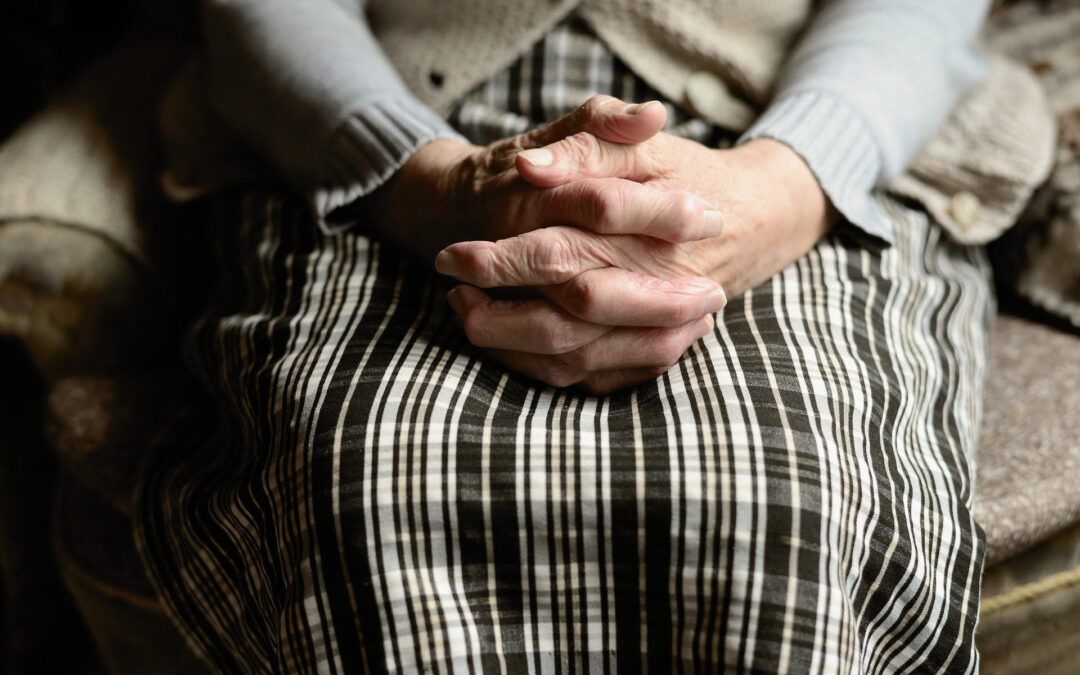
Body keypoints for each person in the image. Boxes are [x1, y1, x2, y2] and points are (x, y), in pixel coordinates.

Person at [136, 0, 1052, 672]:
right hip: (395, 142)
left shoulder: (795, 163)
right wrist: (431, 184)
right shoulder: (406, 167)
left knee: (778, 506)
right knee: (371, 485)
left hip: (796, 137)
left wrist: (783, 185)